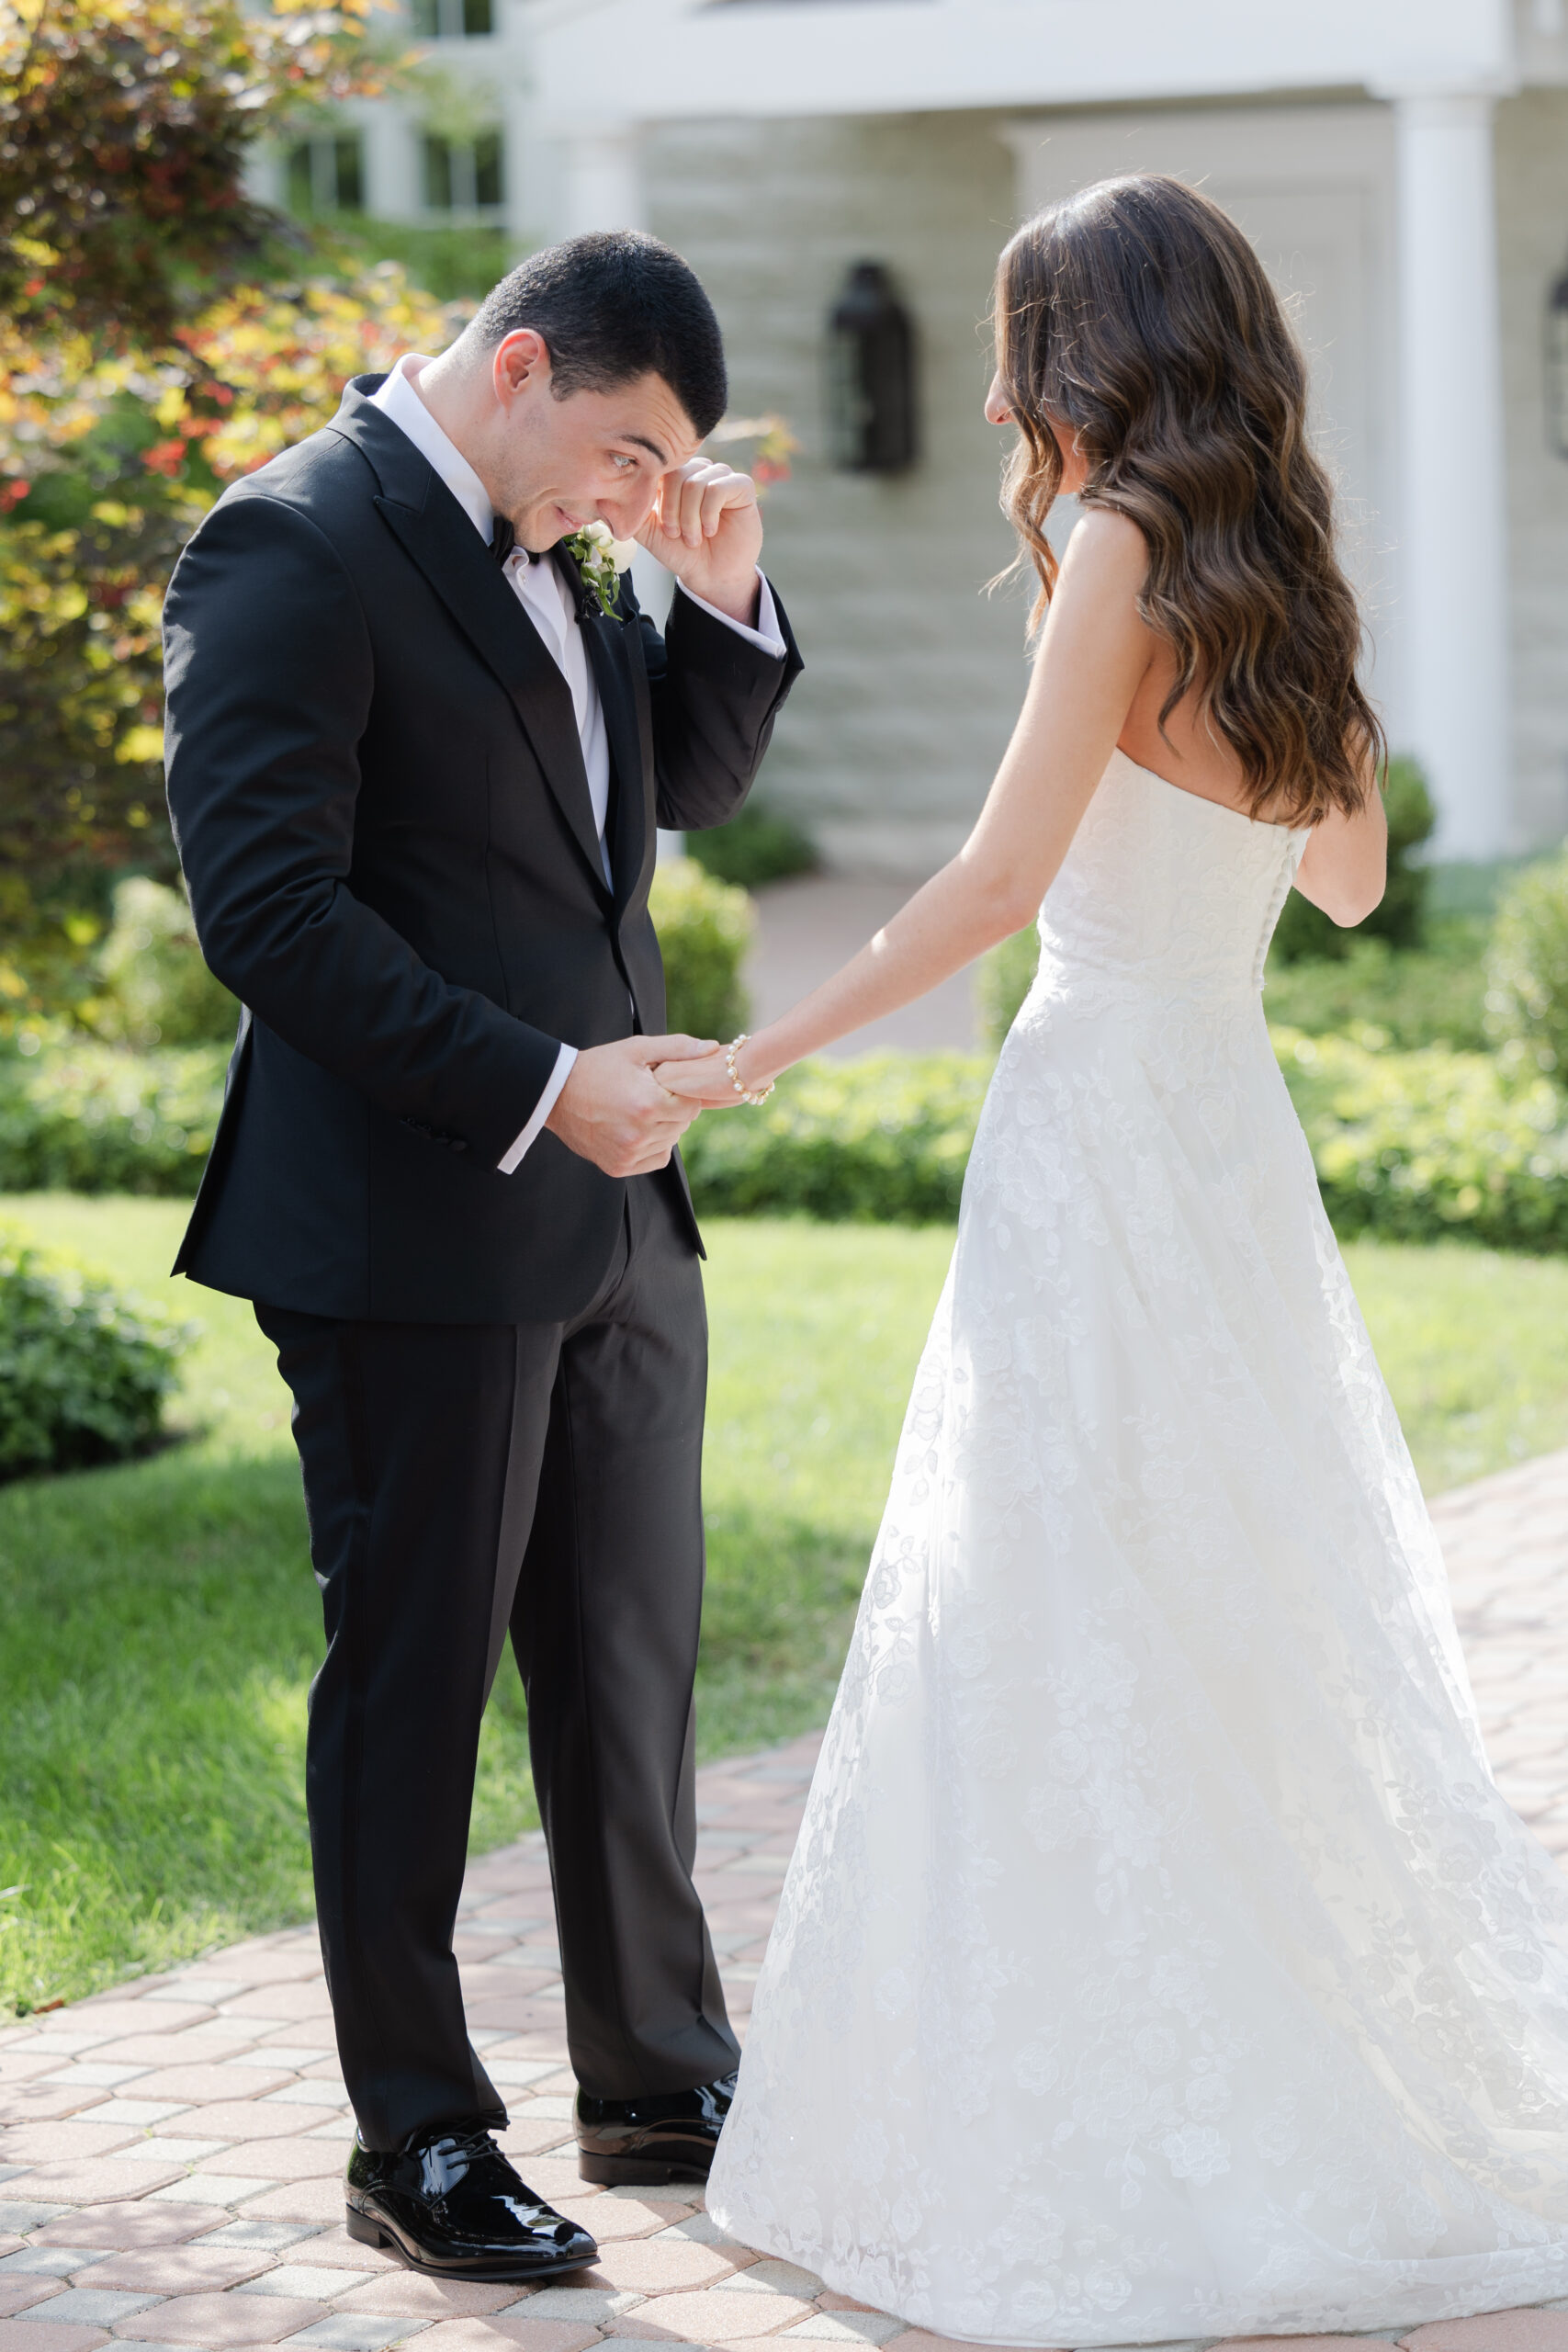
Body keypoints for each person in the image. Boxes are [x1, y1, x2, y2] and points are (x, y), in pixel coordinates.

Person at [679, 176, 1568, 2344]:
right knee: (1231, 1597)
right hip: (1224, 1131)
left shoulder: (1110, 546)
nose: (993, 382)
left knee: (1053, 1594)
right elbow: (1349, 882)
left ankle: (1098, 2116)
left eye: (1018, 337)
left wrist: (754, 1047)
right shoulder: (1269, 571)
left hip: (1094, 1114)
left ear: (1082, 348)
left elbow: (995, 874)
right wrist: (1301, 691)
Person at [161, 230, 801, 2282]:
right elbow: (267, 909)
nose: (629, 497)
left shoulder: (590, 544)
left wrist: (712, 604)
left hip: (619, 1204)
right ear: (519, 366)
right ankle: (416, 2134)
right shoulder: (290, 544)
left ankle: (654, 2067)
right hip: (413, 1211)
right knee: (415, 1683)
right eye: (622, 456)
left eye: (655, 475)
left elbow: (661, 800)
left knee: (627, 1664)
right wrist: (542, 1084)